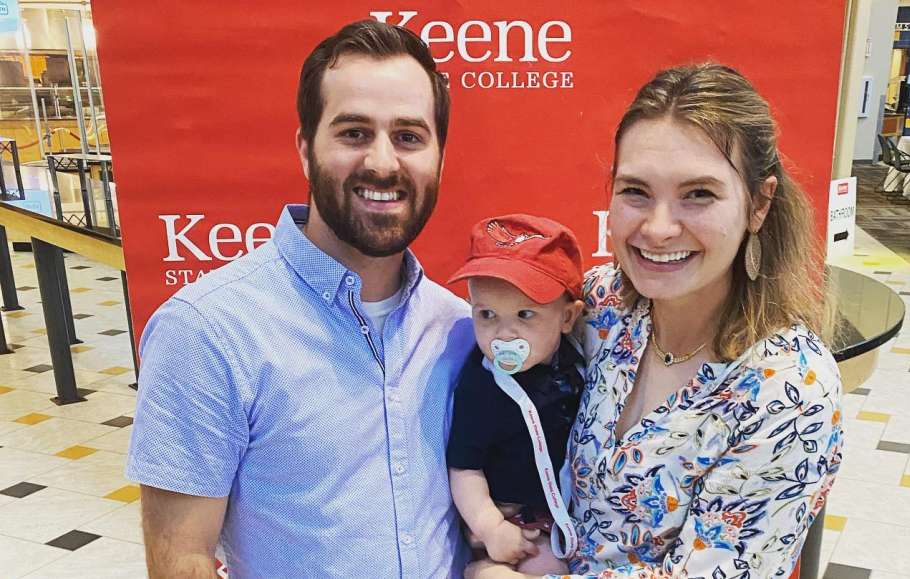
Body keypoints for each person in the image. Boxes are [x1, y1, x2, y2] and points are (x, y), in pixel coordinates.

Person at [126, 20, 476, 579]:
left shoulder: (460, 328)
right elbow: (182, 561)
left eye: (409, 136)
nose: (384, 163)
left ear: (440, 158)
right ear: (305, 149)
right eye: (354, 132)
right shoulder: (207, 331)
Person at [466, 63, 843, 579]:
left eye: (699, 194)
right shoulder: (600, 307)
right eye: (636, 191)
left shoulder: (788, 391)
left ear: (758, 204)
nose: (659, 228)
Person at [446, 215, 586, 575]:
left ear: (568, 318)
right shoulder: (482, 385)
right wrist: (490, 527)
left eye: (525, 315)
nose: (504, 334)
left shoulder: (578, 362)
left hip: (568, 520)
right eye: (487, 314)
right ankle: (481, 571)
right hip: (516, 527)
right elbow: (465, 467)